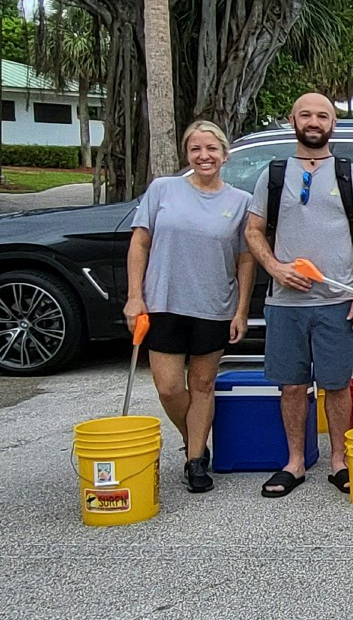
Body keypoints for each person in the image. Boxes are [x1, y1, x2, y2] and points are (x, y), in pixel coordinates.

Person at [245, 92, 353, 498]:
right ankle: (295, 462)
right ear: (293, 120)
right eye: (306, 114)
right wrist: (275, 267)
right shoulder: (273, 174)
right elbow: (253, 231)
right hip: (286, 304)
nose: (314, 121)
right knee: (290, 385)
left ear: (333, 123)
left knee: (337, 384)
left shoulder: (349, 174)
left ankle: (339, 461)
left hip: (337, 300)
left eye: (323, 115)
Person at [123, 120, 254, 494]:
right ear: (187, 154)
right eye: (196, 149)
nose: (204, 156)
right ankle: (195, 436)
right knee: (168, 387)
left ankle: (195, 459)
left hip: (213, 305)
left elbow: (246, 261)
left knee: (202, 384)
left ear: (225, 155)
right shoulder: (163, 189)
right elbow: (140, 244)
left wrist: (241, 310)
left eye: (211, 149)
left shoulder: (240, 202)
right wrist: (135, 296)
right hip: (163, 301)